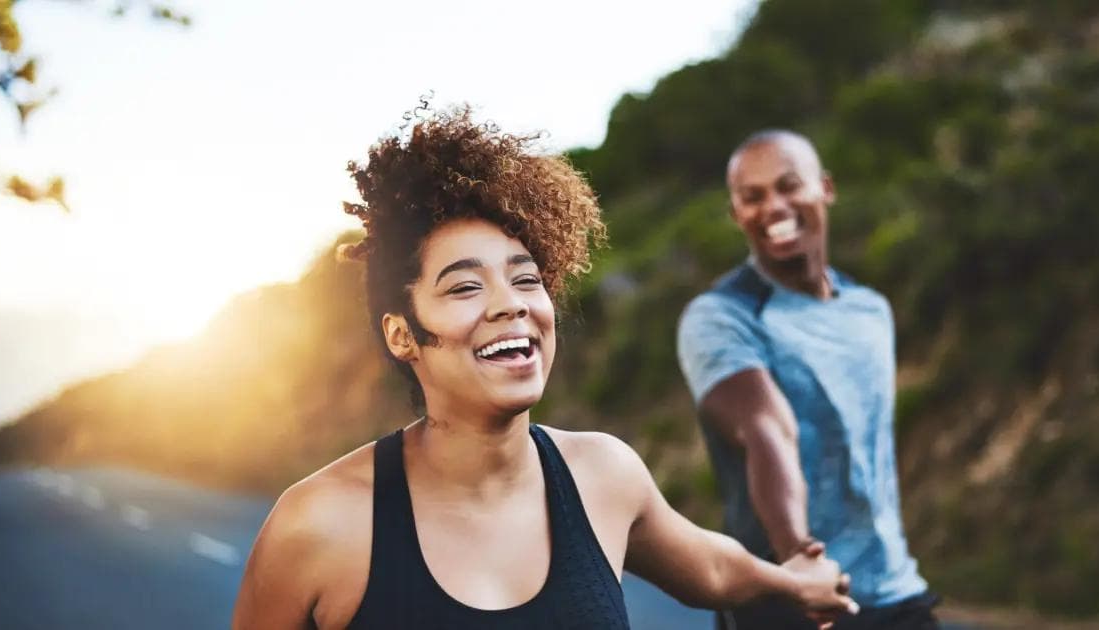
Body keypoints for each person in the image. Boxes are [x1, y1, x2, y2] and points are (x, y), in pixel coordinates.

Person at [231, 109, 858, 630]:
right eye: (463, 287)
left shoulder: (603, 475)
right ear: (402, 334)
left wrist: (795, 583)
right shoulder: (318, 523)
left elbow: (714, 570)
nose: (511, 304)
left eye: (526, 278)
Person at [676, 130, 938, 629]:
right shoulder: (720, 317)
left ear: (826, 189)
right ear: (736, 215)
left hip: (895, 591)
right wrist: (799, 556)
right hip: (787, 599)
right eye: (752, 197)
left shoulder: (871, 310)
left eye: (788, 185)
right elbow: (766, 429)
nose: (773, 206)